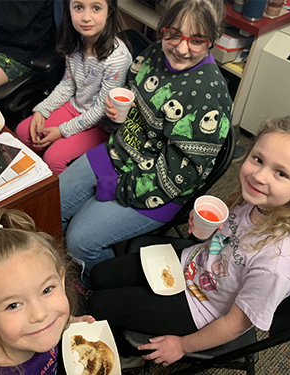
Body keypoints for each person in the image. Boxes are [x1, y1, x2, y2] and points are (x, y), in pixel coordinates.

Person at [87, 115, 290, 366]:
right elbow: (225, 241)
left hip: (202, 309)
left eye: (281, 174)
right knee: (99, 276)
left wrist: (182, 345)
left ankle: (128, 353)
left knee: (98, 304)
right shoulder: (256, 201)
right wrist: (203, 233)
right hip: (191, 265)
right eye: (258, 159)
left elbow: (235, 324)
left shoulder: (278, 263)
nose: (259, 176)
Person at [59, 0, 233, 289]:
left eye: (197, 40)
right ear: (161, 29)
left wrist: (118, 188)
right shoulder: (153, 53)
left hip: (159, 187)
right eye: (172, 34)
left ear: (212, 41)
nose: (181, 48)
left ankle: (101, 286)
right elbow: (131, 100)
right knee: (52, 204)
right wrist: (115, 116)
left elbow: (179, 176)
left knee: (80, 241)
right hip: (118, 153)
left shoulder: (208, 96)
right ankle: (71, 264)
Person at [0, 209, 94, 375]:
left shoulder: (41, 328)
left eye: (47, 290)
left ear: (61, 280)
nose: (40, 314)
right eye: (13, 305)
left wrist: (70, 324)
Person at [15, 0, 132, 174]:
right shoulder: (78, 41)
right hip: (76, 107)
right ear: (68, 10)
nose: (86, 17)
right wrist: (42, 110)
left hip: (101, 124)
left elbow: (101, 109)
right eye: (78, 8)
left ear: (109, 11)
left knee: (54, 158)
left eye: (96, 8)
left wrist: (62, 131)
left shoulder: (117, 58)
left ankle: (56, 194)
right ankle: (37, 180)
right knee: (24, 132)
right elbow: (68, 84)